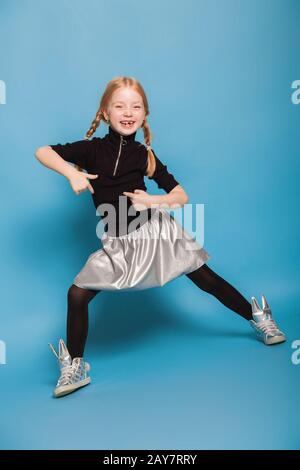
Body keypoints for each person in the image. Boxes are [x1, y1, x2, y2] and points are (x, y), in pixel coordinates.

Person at [35, 76, 286, 398]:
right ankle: (75, 366)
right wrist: (71, 172)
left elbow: (181, 196)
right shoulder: (90, 150)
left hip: (156, 232)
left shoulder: (144, 155)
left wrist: (154, 201)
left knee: (206, 280)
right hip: (118, 242)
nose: (128, 112)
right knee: (77, 295)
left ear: (145, 114)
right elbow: (43, 151)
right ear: (105, 112)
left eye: (136, 106)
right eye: (120, 105)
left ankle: (258, 316)